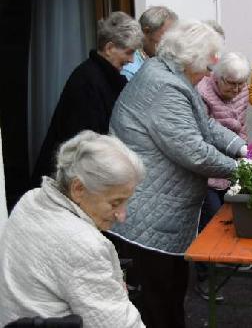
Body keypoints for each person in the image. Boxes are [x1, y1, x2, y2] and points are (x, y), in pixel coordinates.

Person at [108, 20, 247, 328]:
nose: (209, 73)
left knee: (170, 291)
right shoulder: (165, 85)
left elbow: (203, 124)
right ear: (192, 60)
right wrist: (245, 170)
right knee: (160, 297)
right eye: (207, 65)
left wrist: (241, 148)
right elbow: (194, 151)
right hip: (151, 211)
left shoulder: (170, 74)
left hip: (161, 206)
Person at [0, 131, 146, 328]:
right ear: (78, 189)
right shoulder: (82, 243)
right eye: (115, 203)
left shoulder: (32, 200)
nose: (122, 215)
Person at [31, 11, 143, 188]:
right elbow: (85, 142)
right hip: (77, 179)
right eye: (128, 52)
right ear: (109, 48)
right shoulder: (87, 81)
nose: (130, 60)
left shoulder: (106, 77)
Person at [194, 51, 251, 300]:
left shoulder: (242, 90)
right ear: (216, 78)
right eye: (232, 84)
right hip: (208, 168)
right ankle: (204, 279)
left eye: (241, 83)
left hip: (234, 163)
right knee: (210, 224)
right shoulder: (201, 93)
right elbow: (203, 135)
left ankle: (225, 261)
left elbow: (242, 127)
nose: (238, 90)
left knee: (231, 216)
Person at [121, 5, 178, 81]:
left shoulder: (166, 59)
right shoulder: (129, 67)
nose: (169, 44)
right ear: (146, 32)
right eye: (165, 37)